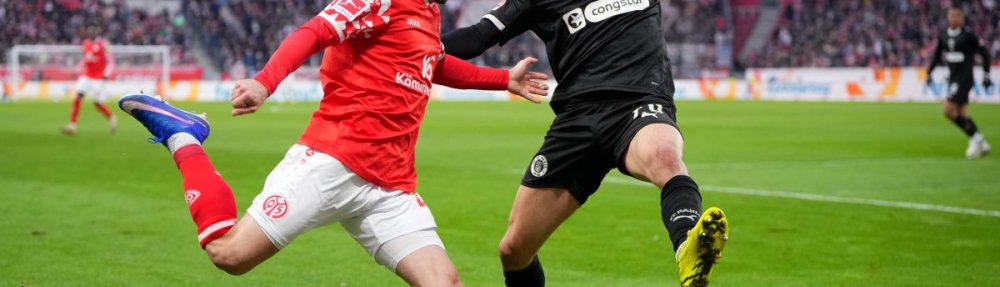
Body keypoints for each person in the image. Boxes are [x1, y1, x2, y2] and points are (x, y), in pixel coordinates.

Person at [117, 0, 549, 284]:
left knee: (445, 283)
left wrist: (501, 80)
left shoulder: (428, 12)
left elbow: (432, 63)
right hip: (331, 162)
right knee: (229, 254)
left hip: (391, 187)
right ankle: (182, 136)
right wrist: (266, 83)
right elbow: (315, 31)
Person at [442, 0, 729, 286]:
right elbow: (477, 37)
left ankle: (688, 247)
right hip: (577, 120)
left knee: (665, 157)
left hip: (640, 102)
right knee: (514, 250)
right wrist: (413, 46)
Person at [927, 7, 993, 158]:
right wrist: (929, 73)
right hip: (953, 79)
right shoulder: (944, 35)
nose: (954, 18)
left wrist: (987, 75)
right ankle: (979, 143)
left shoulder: (968, 36)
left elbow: (985, 54)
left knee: (948, 110)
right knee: (962, 113)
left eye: (957, 15)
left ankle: (977, 139)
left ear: (962, 18)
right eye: (951, 15)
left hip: (965, 79)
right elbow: (937, 55)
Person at [63, 38, 117, 135]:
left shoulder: (102, 43)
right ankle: (72, 125)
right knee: (78, 97)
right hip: (86, 76)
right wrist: (76, 71)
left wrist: (106, 74)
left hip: (98, 78)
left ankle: (111, 117)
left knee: (97, 103)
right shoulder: (86, 44)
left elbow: (110, 59)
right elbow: (85, 60)